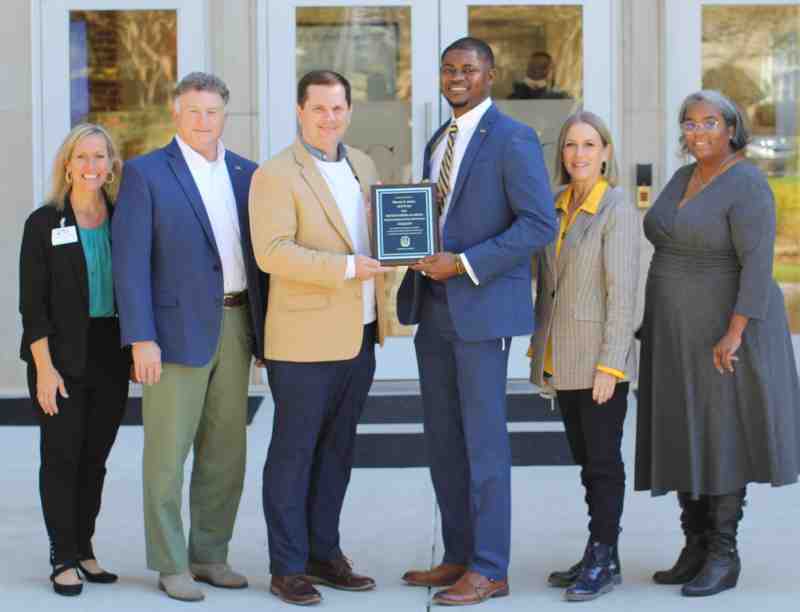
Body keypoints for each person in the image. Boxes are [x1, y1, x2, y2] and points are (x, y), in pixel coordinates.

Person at [398, 37, 557, 606]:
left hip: (482, 309)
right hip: (432, 308)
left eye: (469, 69)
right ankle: (459, 555)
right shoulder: (439, 140)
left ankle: (491, 567)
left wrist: (463, 263)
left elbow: (539, 224)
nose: (457, 77)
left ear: (490, 76)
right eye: (449, 69)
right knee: (443, 440)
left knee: (484, 443)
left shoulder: (512, 139)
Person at [635, 89, 800, 597]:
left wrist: (734, 332)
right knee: (685, 430)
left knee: (722, 435)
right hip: (674, 333)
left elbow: (757, 266)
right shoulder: (683, 176)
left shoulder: (747, 183)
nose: (698, 131)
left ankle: (724, 555)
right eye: (689, 123)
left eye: (709, 122)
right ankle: (695, 546)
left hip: (726, 333)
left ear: (732, 128)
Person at [111, 72, 266, 602]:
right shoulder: (145, 173)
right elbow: (129, 265)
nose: (204, 122)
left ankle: (209, 554)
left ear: (226, 114)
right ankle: (170, 561)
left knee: (226, 450)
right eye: (194, 112)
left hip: (237, 323)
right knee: (167, 453)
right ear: (176, 113)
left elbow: (260, 259)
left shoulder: (247, 173)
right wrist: (140, 338)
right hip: (172, 334)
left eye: (213, 112)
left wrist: (264, 338)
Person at [249, 70, 388, 607]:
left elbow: (383, 234)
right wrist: (349, 267)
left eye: (338, 108)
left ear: (349, 111)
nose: (330, 118)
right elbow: (273, 251)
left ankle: (323, 553)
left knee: (338, 451)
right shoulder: (276, 174)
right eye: (319, 109)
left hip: (361, 334)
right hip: (304, 340)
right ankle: (286, 565)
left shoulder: (364, 165)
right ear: (300, 111)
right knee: (294, 453)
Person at [529, 111, 640, 601]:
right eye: (571, 145)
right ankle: (600, 550)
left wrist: (610, 365)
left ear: (605, 152)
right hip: (563, 356)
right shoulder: (554, 204)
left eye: (589, 145)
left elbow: (624, 294)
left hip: (599, 361)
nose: (579, 154)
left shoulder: (616, 209)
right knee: (584, 460)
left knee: (602, 462)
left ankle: (604, 554)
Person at [19, 123, 131, 596]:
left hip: (110, 350)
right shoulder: (44, 222)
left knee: (96, 458)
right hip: (59, 354)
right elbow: (33, 306)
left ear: (111, 165)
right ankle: (61, 555)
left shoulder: (124, 217)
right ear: (67, 164)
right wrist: (44, 369)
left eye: (100, 157)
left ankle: (84, 548)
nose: (91, 166)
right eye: (82, 157)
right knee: (61, 456)